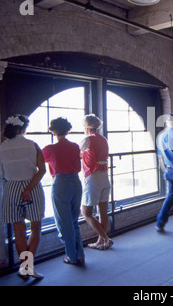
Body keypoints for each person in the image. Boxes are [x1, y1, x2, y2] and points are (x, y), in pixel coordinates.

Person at [0, 115, 46, 279]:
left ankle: (24, 267)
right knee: (35, 228)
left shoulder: (0, 147)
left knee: (18, 231)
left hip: (10, 188)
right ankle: (28, 267)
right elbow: (42, 171)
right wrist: (28, 188)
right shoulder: (32, 145)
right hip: (31, 187)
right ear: (23, 128)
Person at [42, 117, 84, 265]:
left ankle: (72, 256)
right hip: (76, 181)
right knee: (74, 221)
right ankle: (79, 254)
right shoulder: (74, 146)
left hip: (60, 183)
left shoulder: (49, 149)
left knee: (63, 222)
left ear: (53, 132)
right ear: (67, 130)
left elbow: (38, 161)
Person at [80, 114, 113, 250]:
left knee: (86, 212)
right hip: (105, 175)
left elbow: (78, 153)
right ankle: (101, 242)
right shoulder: (103, 139)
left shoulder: (87, 139)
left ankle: (105, 238)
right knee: (103, 211)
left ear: (86, 126)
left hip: (93, 176)